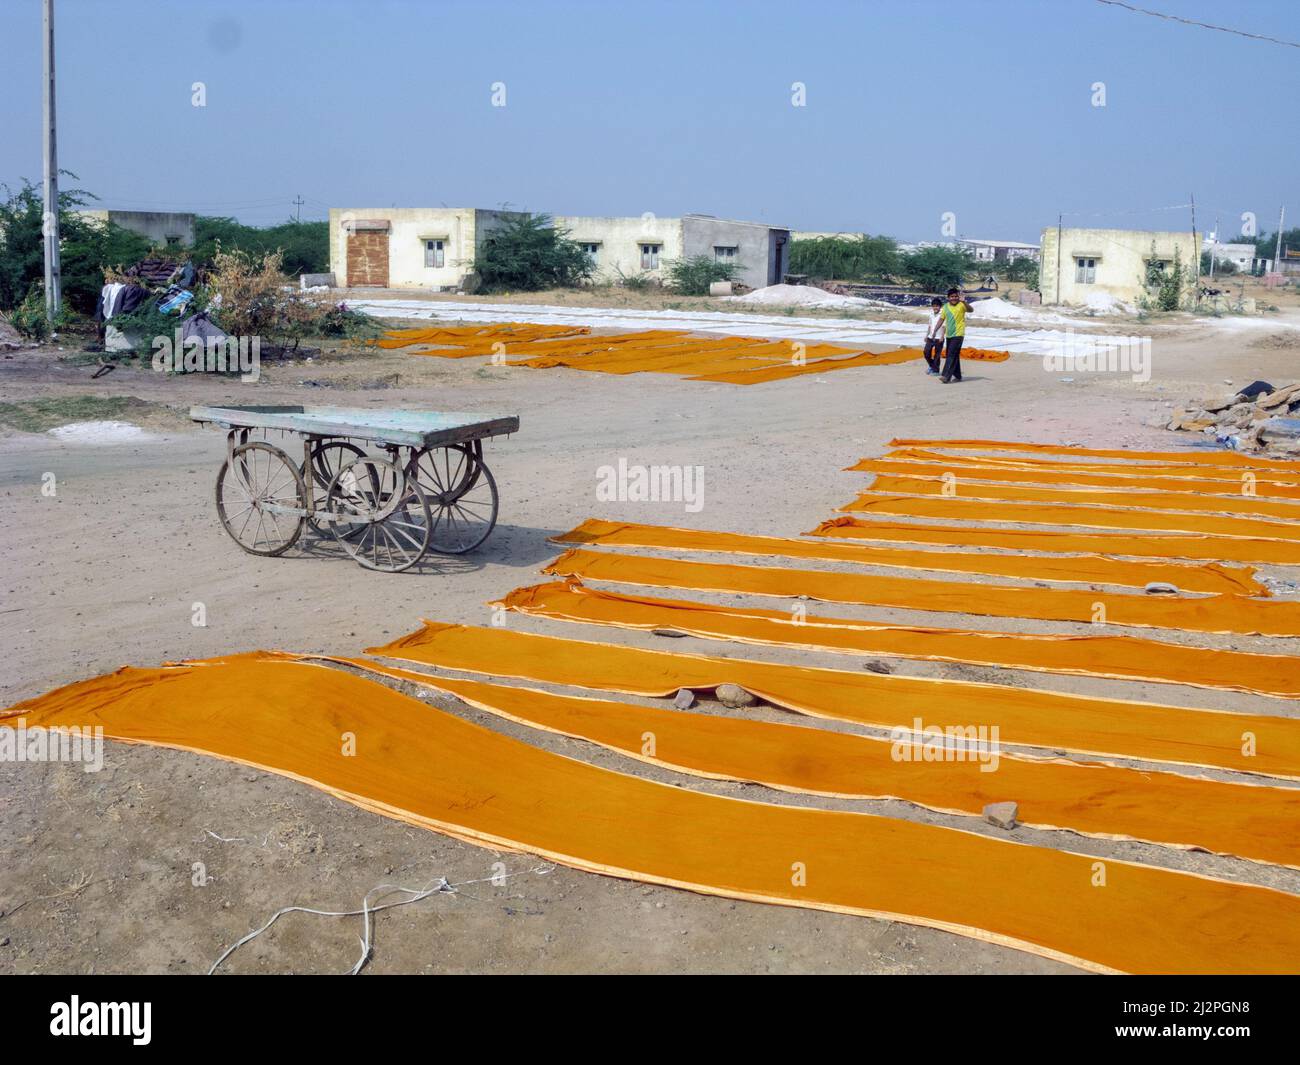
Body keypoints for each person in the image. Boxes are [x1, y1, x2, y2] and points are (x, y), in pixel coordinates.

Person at [939, 286, 974, 384]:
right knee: (954, 355)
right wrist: (934, 330)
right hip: (949, 335)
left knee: (950, 355)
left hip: (958, 334)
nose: (954, 298)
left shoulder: (961, 305)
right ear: (948, 298)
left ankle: (946, 376)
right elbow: (941, 319)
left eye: (955, 296)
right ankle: (958, 376)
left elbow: (971, 310)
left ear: (958, 297)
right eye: (952, 296)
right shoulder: (945, 307)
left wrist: (964, 302)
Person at [923, 297, 945, 375]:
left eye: (937, 306)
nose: (935, 307)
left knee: (937, 355)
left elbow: (944, 326)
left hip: (939, 338)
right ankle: (932, 366)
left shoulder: (942, 314)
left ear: (940, 306)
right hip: (930, 337)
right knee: (926, 352)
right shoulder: (931, 314)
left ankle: (935, 370)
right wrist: (926, 335)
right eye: (934, 306)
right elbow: (929, 325)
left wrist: (942, 336)